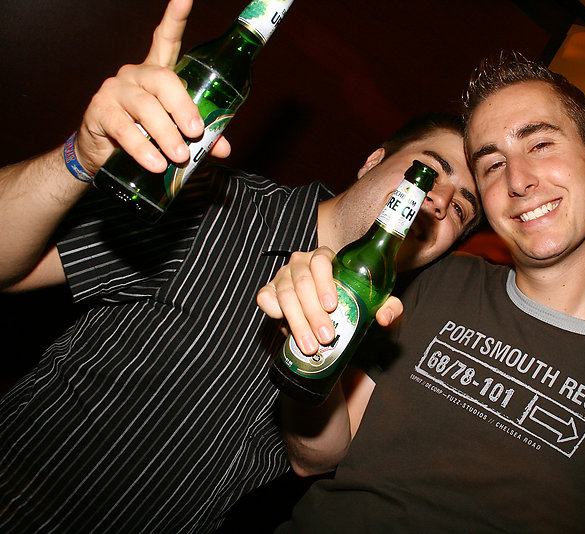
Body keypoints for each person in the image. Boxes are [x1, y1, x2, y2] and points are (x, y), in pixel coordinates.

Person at [0, 1, 484, 532]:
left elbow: (314, 460)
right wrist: (80, 159)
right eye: (427, 171)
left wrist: (310, 353)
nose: (438, 201)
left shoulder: (387, 323)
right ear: (374, 160)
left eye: (462, 209)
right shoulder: (213, 204)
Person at [258, 52, 585, 532]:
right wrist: (309, 348)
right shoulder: (440, 280)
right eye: (493, 164)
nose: (518, 180)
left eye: (540, 144)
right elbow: (314, 456)